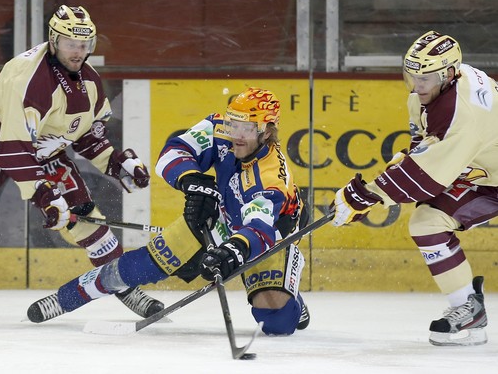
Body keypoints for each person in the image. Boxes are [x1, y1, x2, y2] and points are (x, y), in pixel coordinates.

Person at [0, 5, 163, 322]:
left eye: (83, 44)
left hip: (42, 149)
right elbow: (13, 148)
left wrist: (116, 163)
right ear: (53, 40)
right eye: (70, 43)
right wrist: (45, 194)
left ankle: (124, 285)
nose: (78, 51)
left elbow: (85, 134)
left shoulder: (89, 82)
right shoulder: (30, 80)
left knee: (84, 218)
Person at [26, 87, 311, 336]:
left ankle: (290, 290)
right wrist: (192, 180)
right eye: (233, 124)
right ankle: (65, 298)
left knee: (279, 324)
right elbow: (171, 154)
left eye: (246, 128)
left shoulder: (271, 177)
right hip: (220, 218)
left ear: (267, 130)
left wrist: (232, 251)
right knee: (142, 265)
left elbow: (259, 228)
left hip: (270, 236)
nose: (236, 134)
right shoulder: (219, 129)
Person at [331, 30, 493, 346]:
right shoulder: (436, 90)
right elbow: (425, 150)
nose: (416, 86)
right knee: (427, 222)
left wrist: (367, 195)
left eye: (425, 79)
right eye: (412, 77)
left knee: (427, 218)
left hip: (490, 177)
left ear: (448, 74)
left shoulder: (462, 112)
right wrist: (386, 184)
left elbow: (427, 177)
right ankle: (468, 310)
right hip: (483, 170)